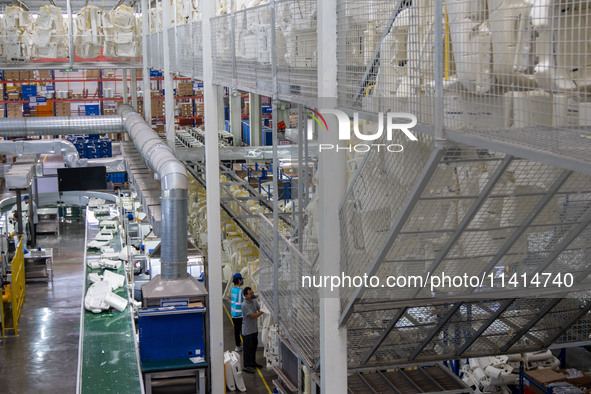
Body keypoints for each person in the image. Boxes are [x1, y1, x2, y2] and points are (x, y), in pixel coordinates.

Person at [241, 287, 263, 373]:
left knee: (254, 347)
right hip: (247, 331)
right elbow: (252, 316)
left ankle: (252, 362)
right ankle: (246, 366)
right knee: (247, 349)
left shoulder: (254, 301)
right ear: (245, 295)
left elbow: (259, 308)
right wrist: (262, 312)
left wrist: (263, 307)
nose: (252, 295)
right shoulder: (244, 305)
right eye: (250, 294)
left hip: (254, 329)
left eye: (252, 293)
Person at [230, 273, 245, 352]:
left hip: (233, 314)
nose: (242, 281)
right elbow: (247, 298)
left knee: (236, 331)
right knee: (243, 331)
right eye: (241, 279)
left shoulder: (232, 289)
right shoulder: (241, 291)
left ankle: (238, 346)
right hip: (240, 315)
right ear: (239, 280)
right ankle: (245, 347)